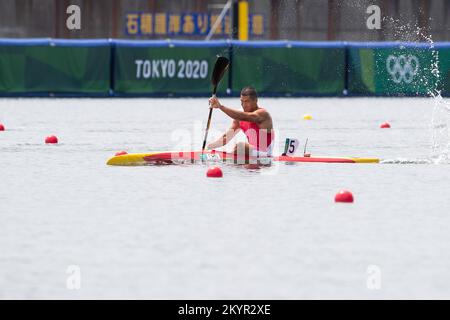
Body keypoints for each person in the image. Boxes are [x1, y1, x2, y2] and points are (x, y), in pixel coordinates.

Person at [207, 86, 274, 157]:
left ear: (255, 100)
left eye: (246, 101)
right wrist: (209, 147)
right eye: (241, 101)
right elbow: (225, 138)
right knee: (235, 152)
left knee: (240, 147)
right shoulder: (239, 117)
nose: (243, 105)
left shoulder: (262, 114)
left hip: (265, 153)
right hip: (251, 151)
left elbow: (243, 116)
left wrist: (220, 107)